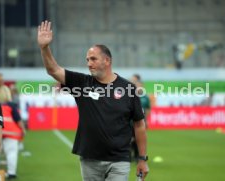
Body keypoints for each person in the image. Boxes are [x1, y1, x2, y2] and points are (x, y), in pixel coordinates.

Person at [37, 20, 149, 181]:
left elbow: (139, 125)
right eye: (87, 60)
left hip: (119, 160)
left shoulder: (129, 89)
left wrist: (142, 159)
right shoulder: (82, 83)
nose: (89, 63)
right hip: (90, 160)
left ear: (107, 61)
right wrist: (44, 47)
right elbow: (53, 69)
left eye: (93, 59)